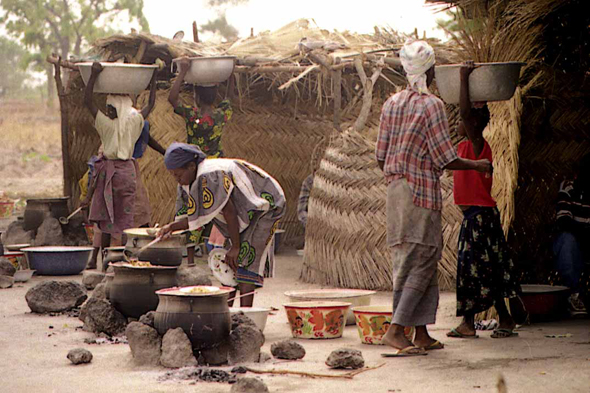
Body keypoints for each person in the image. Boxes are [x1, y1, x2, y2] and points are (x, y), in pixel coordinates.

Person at [375, 41, 492, 356]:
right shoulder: (432, 106)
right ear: (429, 71)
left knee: (406, 259)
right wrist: (476, 164)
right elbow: (444, 158)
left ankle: (421, 332)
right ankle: (396, 330)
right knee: (424, 258)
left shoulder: (391, 104)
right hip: (420, 192)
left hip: (395, 192)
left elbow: (380, 156)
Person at [157, 143, 285, 307]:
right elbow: (189, 216)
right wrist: (170, 228)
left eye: (178, 174)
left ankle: (245, 316)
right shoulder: (186, 182)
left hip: (265, 205)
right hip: (245, 212)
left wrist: (236, 246)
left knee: (245, 256)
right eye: (173, 175)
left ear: (191, 166)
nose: (177, 178)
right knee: (229, 260)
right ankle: (227, 312)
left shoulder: (210, 175)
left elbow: (229, 211)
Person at [446, 61, 522, 340]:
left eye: (463, 119)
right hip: (476, 218)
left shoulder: (478, 142)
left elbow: (465, 112)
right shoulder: (465, 146)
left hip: (480, 217)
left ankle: (480, 322)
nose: (458, 120)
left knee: (477, 270)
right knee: (483, 270)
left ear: (474, 123)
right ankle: (500, 319)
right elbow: (465, 113)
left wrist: (464, 78)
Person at [83, 61, 157, 249]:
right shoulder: (134, 123)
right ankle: (115, 256)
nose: (107, 111)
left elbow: (88, 101)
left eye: (110, 108)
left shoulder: (106, 125)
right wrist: (154, 76)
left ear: (118, 109)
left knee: (104, 217)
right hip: (127, 174)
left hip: (110, 172)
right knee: (122, 219)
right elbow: (151, 104)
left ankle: (99, 257)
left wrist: (93, 74)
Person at [168, 56, 234, 264]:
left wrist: (182, 73)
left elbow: (172, 99)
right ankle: (225, 252)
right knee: (220, 209)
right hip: (217, 169)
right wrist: (231, 74)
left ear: (195, 96)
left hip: (195, 170)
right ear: (215, 97)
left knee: (191, 210)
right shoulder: (221, 114)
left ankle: (189, 261)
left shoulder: (192, 116)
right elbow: (230, 97)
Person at [554, 154, 590, 315]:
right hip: (575, 242)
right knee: (567, 241)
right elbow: (563, 221)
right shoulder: (569, 188)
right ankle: (573, 294)